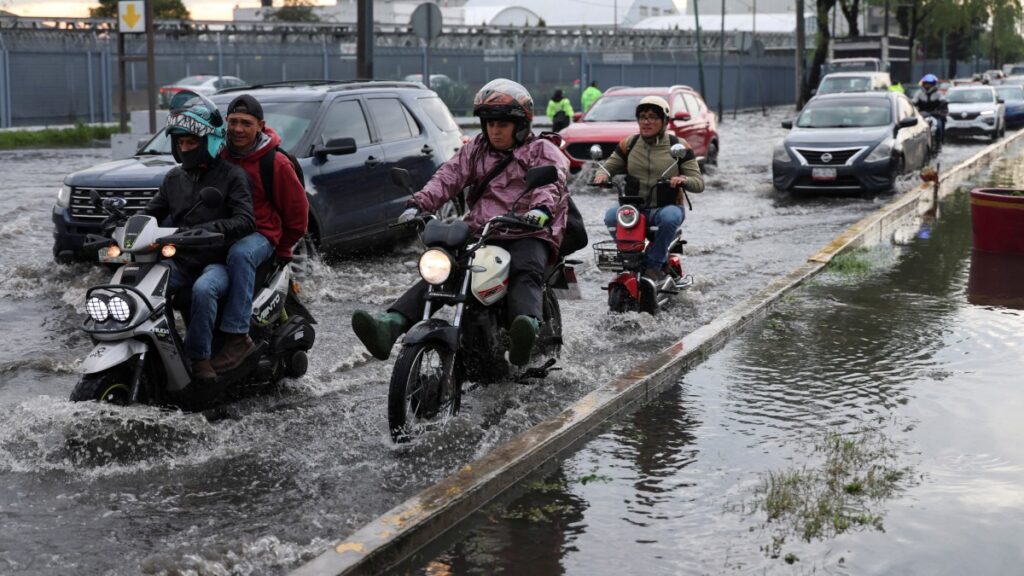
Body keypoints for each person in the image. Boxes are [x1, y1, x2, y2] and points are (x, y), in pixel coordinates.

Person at [351, 78, 570, 366]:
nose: (495, 130)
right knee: (444, 270)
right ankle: (391, 323)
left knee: (525, 269)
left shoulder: (541, 149)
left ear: (520, 125)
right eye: (490, 124)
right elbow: (447, 176)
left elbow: (552, 181)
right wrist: (418, 204)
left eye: (502, 124)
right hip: (483, 231)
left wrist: (539, 210)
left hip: (527, 230)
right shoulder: (475, 149)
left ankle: (525, 329)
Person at [144, 93, 255, 384]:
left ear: (209, 142)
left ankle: (200, 359)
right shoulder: (172, 178)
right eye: (180, 143)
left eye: (191, 142)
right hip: (180, 260)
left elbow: (246, 220)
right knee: (143, 286)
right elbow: (151, 213)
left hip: (217, 261)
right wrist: (120, 226)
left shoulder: (233, 176)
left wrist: (210, 230)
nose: (185, 148)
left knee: (204, 290)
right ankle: (155, 351)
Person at [212, 94, 309, 372]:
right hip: (224, 231)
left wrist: (284, 249)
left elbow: (298, 214)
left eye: (246, 123)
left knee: (241, 254)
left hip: (261, 236)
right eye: (233, 122)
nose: (238, 129)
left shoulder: (275, 163)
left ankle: (237, 337)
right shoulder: (220, 155)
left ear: (260, 126)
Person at [593, 95, 704, 282]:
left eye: (652, 117)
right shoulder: (629, 144)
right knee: (611, 216)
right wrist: (601, 176)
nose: (646, 122)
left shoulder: (679, 146)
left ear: (665, 121)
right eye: (642, 117)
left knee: (669, 219)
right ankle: (630, 258)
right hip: (635, 208)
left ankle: (654, 265)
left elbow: (698, 183)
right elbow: (607, 167)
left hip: (667, 206)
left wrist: (683, 180)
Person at [913, 74, 948, 148]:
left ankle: (939, 142)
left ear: (933, 84)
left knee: (939, 125)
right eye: (926, 84)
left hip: (935, 114)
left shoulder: (938, 94)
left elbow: (944, 102)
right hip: (922, 115)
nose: (927, 86)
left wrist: (941, 110)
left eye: (929, 84)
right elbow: (914, 102)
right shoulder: (919, 93)